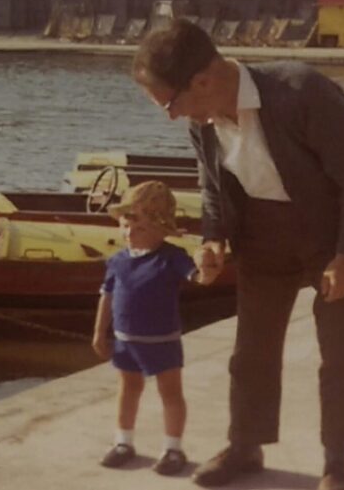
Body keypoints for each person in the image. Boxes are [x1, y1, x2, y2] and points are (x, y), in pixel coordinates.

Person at [131, 19, 344, 490]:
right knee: (252, 350)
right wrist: (214, 238)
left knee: (340, 351)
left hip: (332, 234)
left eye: (169, 104)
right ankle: (246, 445)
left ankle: (340, 459)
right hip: (263, 237)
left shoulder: (301, 92)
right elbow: (212, 185)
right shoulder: (203, 120)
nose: (171, 117)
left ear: (202, 82)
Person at [92, 180, 222, 476]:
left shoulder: (172, 257)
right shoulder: (117, 261)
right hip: (125, 340)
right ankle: (123, 442)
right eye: (125, 226)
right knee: (128, 390)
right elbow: (107, 297)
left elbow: (200, 279)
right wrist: (100, 332)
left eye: (140, 229)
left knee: (170, 393)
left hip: (162, 340)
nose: (129, 234)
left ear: (162, 229)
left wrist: (207, 268)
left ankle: (173, 448)